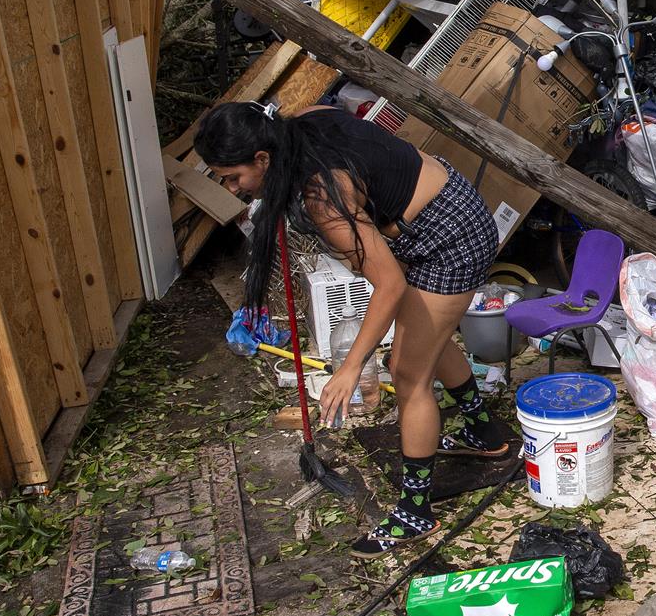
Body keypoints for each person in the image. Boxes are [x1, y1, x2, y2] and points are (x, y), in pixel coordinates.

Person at [198, 101, 512, 556]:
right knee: (425, 336)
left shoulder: (324, 197)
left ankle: (415, 512)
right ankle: (484, 435)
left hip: (451, 238)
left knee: (407, 373)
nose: (232, 188)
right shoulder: (304, 123)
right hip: (439, 212)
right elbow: (338, 116)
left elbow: (388, 285)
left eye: (233, 177)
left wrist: (350, 367)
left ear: (263, 159)